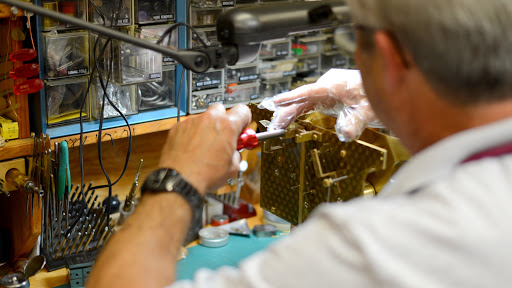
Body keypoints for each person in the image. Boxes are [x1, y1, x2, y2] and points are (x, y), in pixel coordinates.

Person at [88, 0, 512, 286]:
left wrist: (178, 176)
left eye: (355, 46)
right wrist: (386, 97)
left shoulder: (381, 245)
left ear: (390, 57)